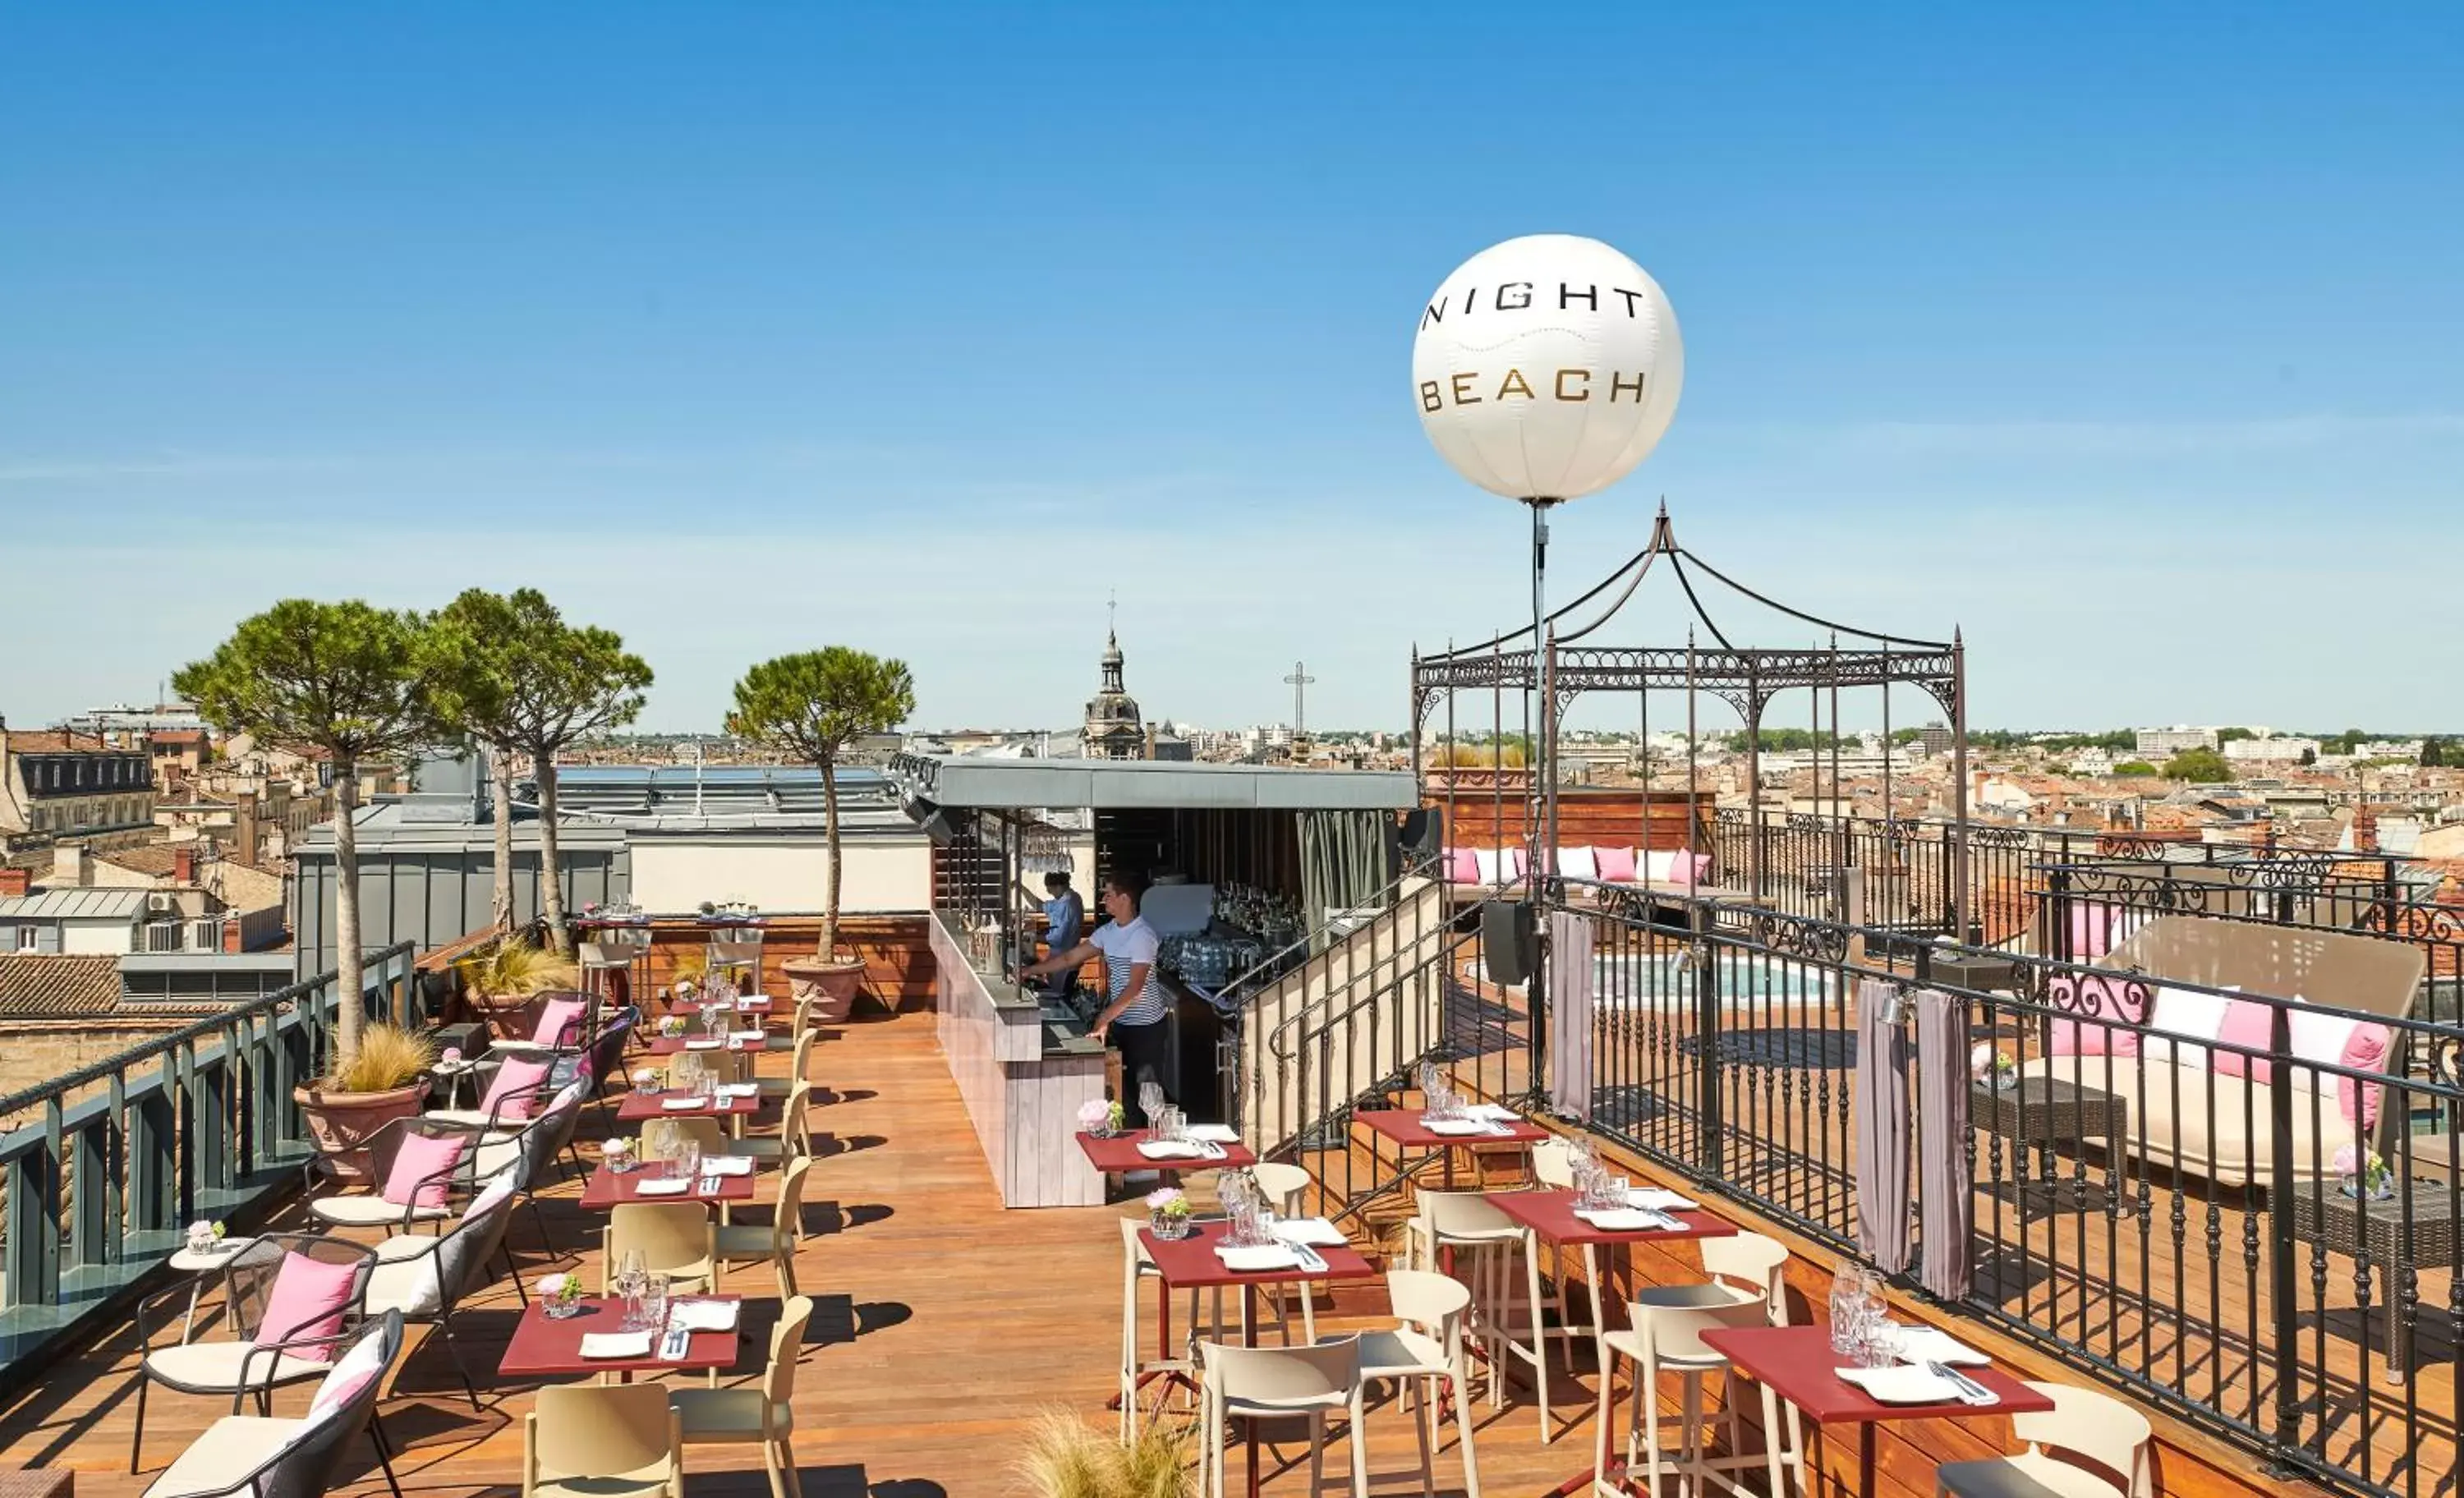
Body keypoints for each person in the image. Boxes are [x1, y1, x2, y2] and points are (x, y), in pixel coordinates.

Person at [1021, 870, 1168, 1127]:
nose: (1104, 901)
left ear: (1124, 899)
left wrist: (1104, 1017)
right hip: (1123, 1022)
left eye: (1108, 895)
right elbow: (1070, 958)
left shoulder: (1142, 935)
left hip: (1147, 1028)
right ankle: (1132, 1150)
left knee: (1148, 1090)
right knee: (1126, 1091)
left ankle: (1156, 1150)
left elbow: (1135, 987)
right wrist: (1030, 971)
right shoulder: (1108, 931)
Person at [1037, 871, 1084, 1000]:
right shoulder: (1072, 897)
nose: (1049, 893)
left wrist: (1034, 938)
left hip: (1063, 960)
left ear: (1058, 886)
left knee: (1059, 999)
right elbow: (1040, 906)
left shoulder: (1067, 904)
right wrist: (1021, 889)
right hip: (1066, 958)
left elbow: (1057, 938)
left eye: (1050, 890)